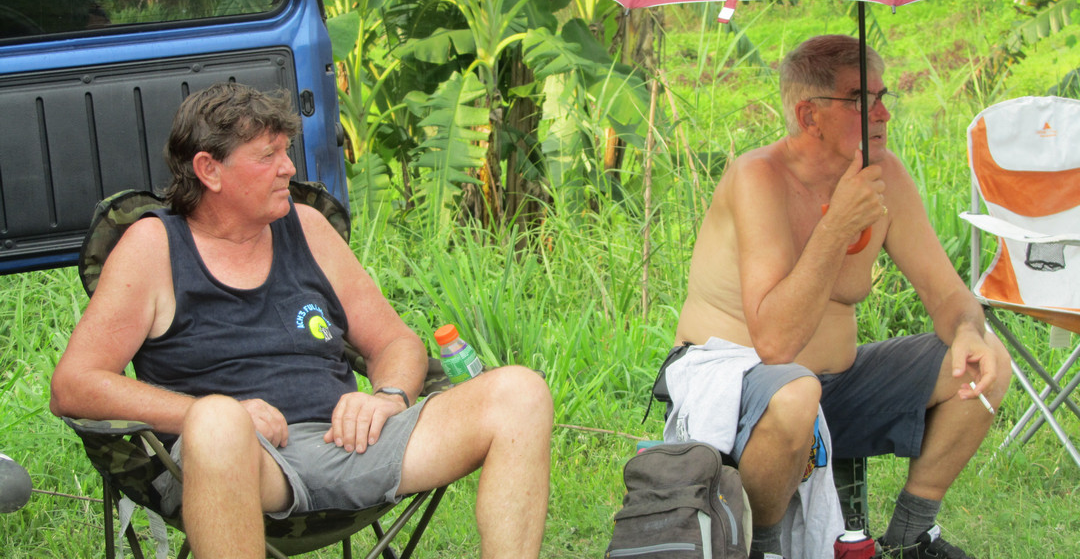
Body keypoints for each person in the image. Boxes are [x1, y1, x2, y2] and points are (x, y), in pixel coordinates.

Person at [50, 82, 553, 559]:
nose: (288, 168)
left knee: (521, 392)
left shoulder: (308, 228)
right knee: (218, 422)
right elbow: (74, 384)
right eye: (267, 156)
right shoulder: (153, 247)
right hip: (242, 463)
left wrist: (387, 396)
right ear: (209, 170)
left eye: (286, 151)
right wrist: (208, 413)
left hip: (351, 443)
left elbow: (395, 341)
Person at [666, 35, 1011, 559]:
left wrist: (966, 331)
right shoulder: (759, 178)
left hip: (834, 388)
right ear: (809, 116)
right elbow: (775, 345)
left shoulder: (885, 176)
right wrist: (837, 226)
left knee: (989, 359)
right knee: (794, 391)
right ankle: (761, 549)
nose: (883, 113)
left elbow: (948, 296)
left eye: (882, 96)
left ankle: (911, 535)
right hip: (741, 390)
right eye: (860, 100)